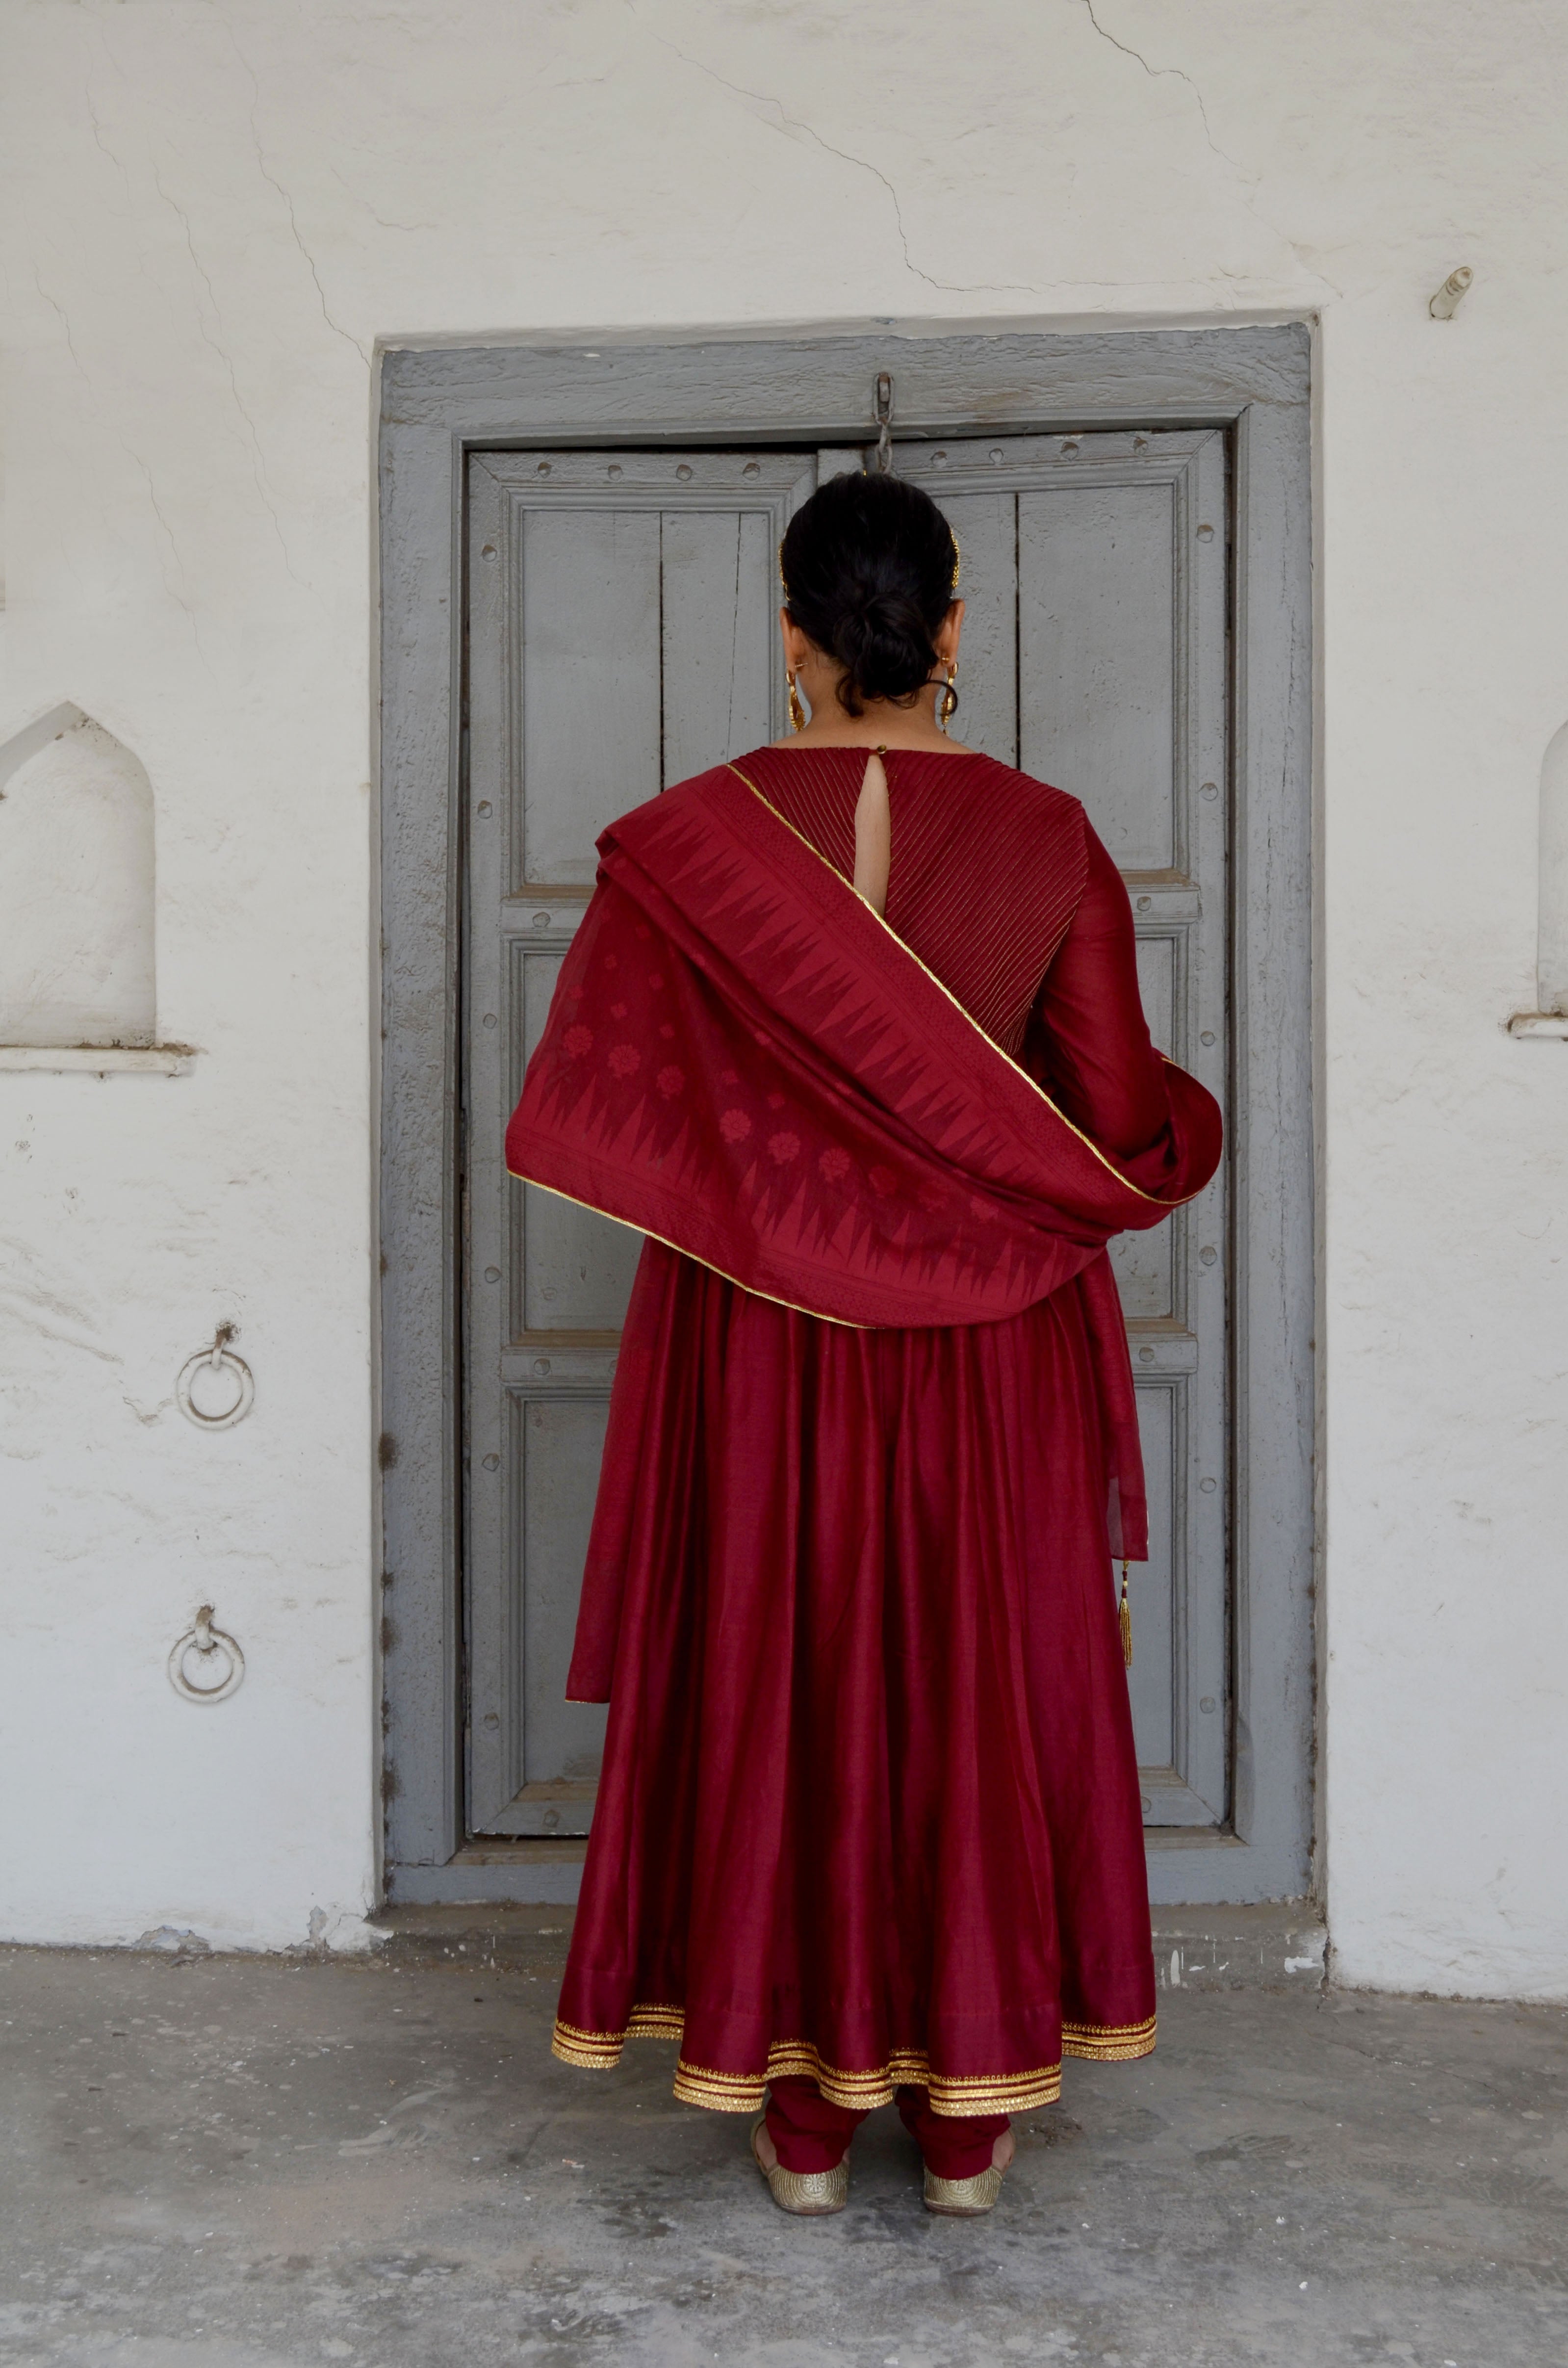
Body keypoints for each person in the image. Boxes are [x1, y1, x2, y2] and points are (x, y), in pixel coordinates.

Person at [506, 471, 1222, 2218]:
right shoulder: (1051, 839)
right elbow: (1117, 1114)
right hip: (993, 1346)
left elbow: (623, 1106)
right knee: (976, 1679)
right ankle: (969, 2133)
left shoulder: (690, 848)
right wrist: (1183, 1130)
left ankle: (807, 2125)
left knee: (784, 1666)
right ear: (955, 630)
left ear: (791, 635)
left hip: (766, 1332)